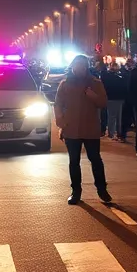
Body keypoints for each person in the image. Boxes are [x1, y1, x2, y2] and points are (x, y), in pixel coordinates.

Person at [55, 55, 111, 205]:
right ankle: (76, 192)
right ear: (72, 66)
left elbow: (103, 102)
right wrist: (61, 123)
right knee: (74, 161)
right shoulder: (65, 84)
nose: (80, 68)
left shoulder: (95, 83)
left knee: (95, 160)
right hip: (71, 129)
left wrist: (92, 95)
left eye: (83, 66)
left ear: (86, 67)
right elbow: (58, 104)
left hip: (90, 128)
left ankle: (102, 189)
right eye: (77, 65)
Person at [101, 61, 128, 140]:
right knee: (119, 116)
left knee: (111, 117)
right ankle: (119, 133)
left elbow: (104, 81)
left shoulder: (107, 76)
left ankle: (111, 133)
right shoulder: (121, 76)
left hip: (110, 98)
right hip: (120, 98)